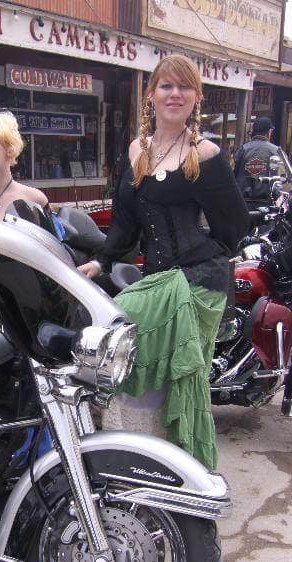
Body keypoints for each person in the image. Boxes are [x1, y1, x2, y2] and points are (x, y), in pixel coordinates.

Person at [77, 54, 250, 469]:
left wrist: (206, 258)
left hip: (199, 280)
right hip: (159, 277)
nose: (175, 94)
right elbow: (125, 225)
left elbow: (234, 225)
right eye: (167, 86)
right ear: (150, 94)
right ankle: (153, 459)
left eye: (184, 87)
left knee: (143, 346)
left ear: (196, 98)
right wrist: (99, 264)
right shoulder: (138, 151)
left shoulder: (204, 154)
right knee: (127, 350)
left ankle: (187, 464)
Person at [232, 116, 280, 204]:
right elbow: (282, 178)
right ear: (268, 132)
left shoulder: (243, 149)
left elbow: (232, 175)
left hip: (243, 203)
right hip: (268, 205)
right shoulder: (276, 151)